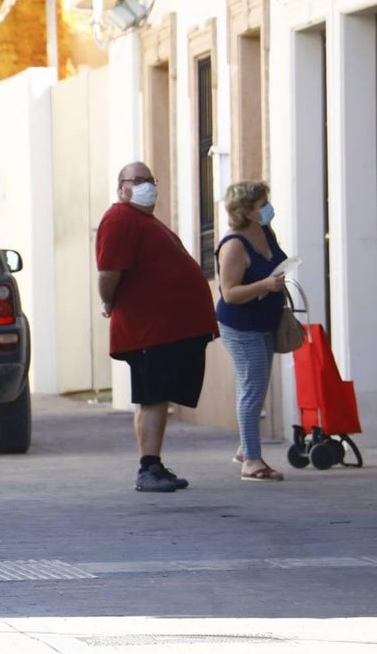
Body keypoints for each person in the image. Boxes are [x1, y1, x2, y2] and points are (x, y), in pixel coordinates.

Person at [96, 162, 218, 493]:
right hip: (149, 329)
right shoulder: (119, 218)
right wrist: (109, 302)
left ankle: (155, 463)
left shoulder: (144, 221)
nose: (147, 185)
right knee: (151, 398)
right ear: (121, 187)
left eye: (151, 179)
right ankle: (147, 468)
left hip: (166, 329)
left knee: (159, 397)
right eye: (138, 180)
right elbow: (108, 273)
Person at [216, 181, 288, 482]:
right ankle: (252, 461)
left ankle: (246, 448)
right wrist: (265, 286)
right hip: (241, 325)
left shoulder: (265, 232)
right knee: (252, 388)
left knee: (257, 387)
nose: (268, 207)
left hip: (265, 321)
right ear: (246, 211)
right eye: (262, 204)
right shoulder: (233, 245)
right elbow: (230, 293)